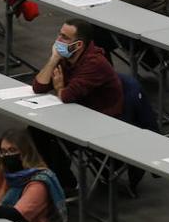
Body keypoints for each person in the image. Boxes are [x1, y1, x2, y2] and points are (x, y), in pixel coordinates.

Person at [30, 20, 122, 188]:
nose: (58, 40)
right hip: (76, 114)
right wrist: (53, 59)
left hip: (102, 121)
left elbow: (66, 95)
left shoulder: (94, 63)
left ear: (78, 44)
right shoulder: (65, 57)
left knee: (55, 138)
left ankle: (66, 185)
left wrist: (59, 87)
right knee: (35, 130)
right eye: (59, 34)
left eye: (64, 38)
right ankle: (58, 181)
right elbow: (39, 87)